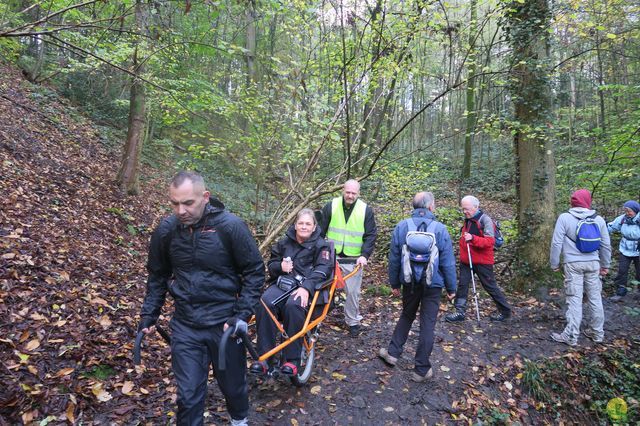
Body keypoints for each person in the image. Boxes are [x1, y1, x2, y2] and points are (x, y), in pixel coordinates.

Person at [137, 171, 265, 426]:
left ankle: (239, 420)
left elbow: (254, 272)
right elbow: (158, 275)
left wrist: (242, 314)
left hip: (224, 324)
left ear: (205, 197)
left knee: (233, 387)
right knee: (188, 396)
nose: (181, 210)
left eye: (188, 203)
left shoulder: (230, 227)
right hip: (186, 325)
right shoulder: (166, 230)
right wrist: (149, 315)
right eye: (174, 203)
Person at [378, 192, 456, 382]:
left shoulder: (402, 226)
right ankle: (421, 370)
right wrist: (452, 288)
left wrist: (395, 283)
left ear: (414, 206)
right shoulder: (440, 229)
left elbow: (394, 258)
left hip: (409, 280)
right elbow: (447, 262)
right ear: (430, 207)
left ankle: (392, 353)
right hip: (433, 284)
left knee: (407, 314)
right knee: (427, 324)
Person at [250, 209, 334, 376]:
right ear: (295, 225)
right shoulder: (284, 243)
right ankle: (265, 357)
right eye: (301, 223)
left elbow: (323, 269)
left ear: (314, 226)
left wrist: (306, 288)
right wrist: (279, 267)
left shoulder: (321, 245)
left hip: (307, 287)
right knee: (265, 303)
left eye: (308, 224)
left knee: (293, 306)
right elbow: (272, 265)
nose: (304, 227)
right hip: (282, 284)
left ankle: (292, 360)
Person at [549, 189, 611, 346]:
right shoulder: (598, 219)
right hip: (593, 263)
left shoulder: (564, 218)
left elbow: (556, 243)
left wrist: (554, 264)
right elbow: (605, 245)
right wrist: (605, 265)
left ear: (573, 202)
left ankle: (571, 336)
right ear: (588, 201)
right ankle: (597, 334)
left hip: (573, 264)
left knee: (574, 299)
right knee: (595, 298)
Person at [320, 179, 377, 336]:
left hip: (353, 259)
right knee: (320, 287)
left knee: (352, 292)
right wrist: (318, 251)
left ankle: (352, 322)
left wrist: (364, 255)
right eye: (348, 192)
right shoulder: (331, 205)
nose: (350, 195)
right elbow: (320, 230)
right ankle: (315, 319)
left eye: (353, 193)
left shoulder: (365, 210)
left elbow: (370, 235)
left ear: (358, 193)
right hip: (331, 256)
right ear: (343, 191)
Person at [445, 195, 512, 322]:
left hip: (482, 261)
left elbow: (489, 242)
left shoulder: (485, 220)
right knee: (463, 285)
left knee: (490, 286)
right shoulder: (468, 219)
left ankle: (505, 311)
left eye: (467, 209)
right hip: (467, 260)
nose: (465, 212)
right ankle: (459, 311)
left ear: (476, 207)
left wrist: (473, 239)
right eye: (463, 209)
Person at [607, 200, 640, 301]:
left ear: (635, 210)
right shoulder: (622, 219)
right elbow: (611, 227)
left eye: (629, 211)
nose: (627, 213)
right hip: (625, 248)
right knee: (622, 271)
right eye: (625, 210)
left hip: (638, 249)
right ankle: (620, 292)